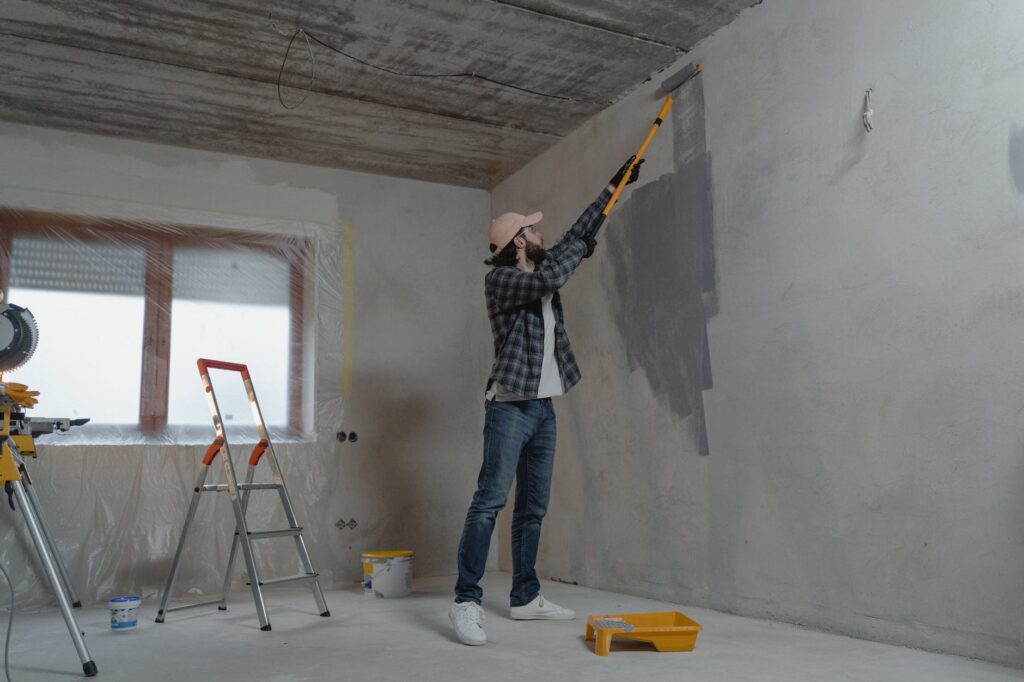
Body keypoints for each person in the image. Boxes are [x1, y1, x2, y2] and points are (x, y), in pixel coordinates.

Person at [449, 157, 644, 646]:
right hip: (509, 407)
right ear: (519, 240)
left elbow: (577, 235)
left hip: (542, 408)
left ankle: (524, 597)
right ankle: (466, 601)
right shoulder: (502, 281)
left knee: (533, 507)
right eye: (533, 231)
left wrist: (611, 184)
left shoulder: (542, 261)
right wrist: (578, 247)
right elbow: (548, 279)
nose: (541, 235)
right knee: (489, 502)